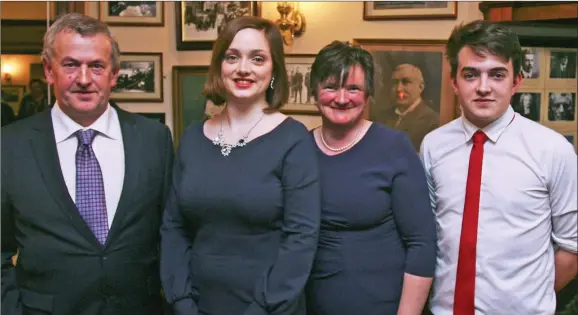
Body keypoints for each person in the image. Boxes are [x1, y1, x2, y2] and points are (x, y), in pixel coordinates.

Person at [1, 13, 174, 315]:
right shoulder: (10, 146)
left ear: (114, 73)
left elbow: (171, 232)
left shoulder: (153, 139)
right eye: (70, 64)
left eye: (96, 66)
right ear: (48, 70)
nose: (84, 79)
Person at [160, 16, 320, 315]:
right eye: (232, 57)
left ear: (273, 70)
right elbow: (173, 228)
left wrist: (263, 307)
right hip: (196, 306)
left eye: (257, 59)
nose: (243, 68)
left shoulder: (293, 138)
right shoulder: (193, 137)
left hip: (269, 307)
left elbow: (301, 237)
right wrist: (181, 300)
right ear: (220, 66)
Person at [420, 20, 577, 315]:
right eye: (470, 74)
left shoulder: (553, 150)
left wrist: (526, 298)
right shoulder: (433, 146)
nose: (483, 87)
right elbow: (429, 237)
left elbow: (571, 250)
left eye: (497, 74)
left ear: (516, 81)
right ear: (454, 81)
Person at [306, 41, 436, 315]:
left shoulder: (394, 147)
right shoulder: (297, 149)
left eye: (353, 88)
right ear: (314, 91)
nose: (342, 98)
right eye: (331, 86)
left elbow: (421, 243)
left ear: (368, 95)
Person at [383, 63, 440, 151]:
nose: (399, 89)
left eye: (406, 82)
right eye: (395, 82)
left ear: (420, 87)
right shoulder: (380, 118)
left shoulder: (433, 122)